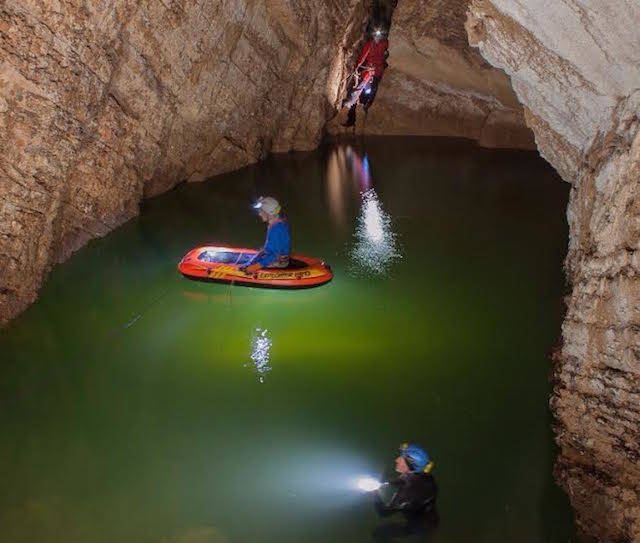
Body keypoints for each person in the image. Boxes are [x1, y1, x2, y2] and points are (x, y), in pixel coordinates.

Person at [373, 443, 438, 540]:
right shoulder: (423, 476)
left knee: (379, 533)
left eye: (401, 459)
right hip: (428, 518)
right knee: (380, 533)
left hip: (419, 527)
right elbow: (404, 480)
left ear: (410, 465)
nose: (397, 460)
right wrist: (385, 482)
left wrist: (374, 492)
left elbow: (384, 512)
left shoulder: (406, 494)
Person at [341, 28, 389, 127]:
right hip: (376, 72)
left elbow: (363, 56)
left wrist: (357, 67)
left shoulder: (371, 44)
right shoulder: (384, 43)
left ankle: (352, 116)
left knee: (357, 92)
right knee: (367, 90)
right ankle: (363, 107)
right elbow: (384, 54)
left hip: (370, 72)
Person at [240, 196, 291, 274]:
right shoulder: (278, 223)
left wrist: (255, 267)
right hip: (275, 256)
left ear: (269, 213)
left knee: (250, 266)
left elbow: (275, 255)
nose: (259, 214)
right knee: (257, 255)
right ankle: (251, 262)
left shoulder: (275, 230)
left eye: (261, 211)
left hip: (277, 262)